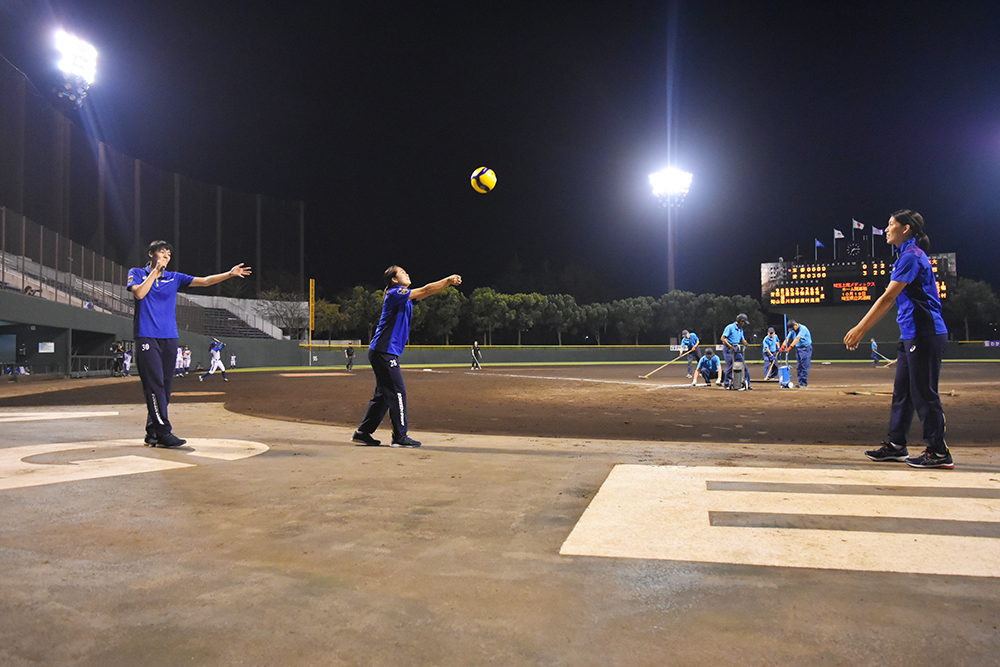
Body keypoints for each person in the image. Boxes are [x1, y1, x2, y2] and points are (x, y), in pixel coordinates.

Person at [844, 209, 952, 469]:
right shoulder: (905, 255)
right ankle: (896, 445)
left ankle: (938, 452)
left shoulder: (911, 256)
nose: (886, 229)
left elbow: (888, 298)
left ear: (906, 229)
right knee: (902, 392)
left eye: (891, 224)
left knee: (924, 393)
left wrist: (860, 328)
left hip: (924, 332)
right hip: (911, 334)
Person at [128, 240, 250, 447]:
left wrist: (229, 274)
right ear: (151, 254)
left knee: (165, 387)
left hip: (169, 336)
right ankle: (164, 433)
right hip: (146, 335)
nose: (165, 257)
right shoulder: (137, 273)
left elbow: (206, 281)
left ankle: (152, 431)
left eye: (168, 254)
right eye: (161, 252)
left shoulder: (175, 277)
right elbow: (139, 293)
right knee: (154, 385)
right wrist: (155, 272)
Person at [352, 266, 462, 448]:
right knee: (397, 392)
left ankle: (363, 433)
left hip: (383, 351)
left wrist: (446, 284)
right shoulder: (395, 293)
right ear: (394, 280)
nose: (407, 274)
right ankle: (399, 437)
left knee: (383, 395)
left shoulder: (404, 297)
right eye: (402, 273)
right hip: (384, 351)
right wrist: (448, 280)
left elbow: (428, 291)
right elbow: (425, 289)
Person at [720, 313, 752, 390]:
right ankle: (727, 384)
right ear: (740, 321)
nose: (744, 324)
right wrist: (730, 346)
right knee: (731, 366)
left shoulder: (740, 330)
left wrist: (745, 342)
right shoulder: (730, 327)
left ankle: (747, 383)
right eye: (744, 322)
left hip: (737, 349)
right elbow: (723, 338)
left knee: (743, 365)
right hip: (728, 349)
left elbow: (742, 338)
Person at [778, 319, 812, 388]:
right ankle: (800, 382)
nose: (792, 330)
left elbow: (797, 339)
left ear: (796, 325)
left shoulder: (803, 329)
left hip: (805, 349)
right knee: (799, 366)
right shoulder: (793, 330)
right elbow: (787, 338)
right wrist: (783, 346)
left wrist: (790, 347)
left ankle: (803, 383)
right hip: (799, 348)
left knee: (804, 366)